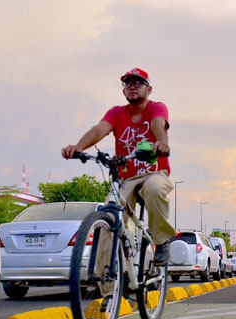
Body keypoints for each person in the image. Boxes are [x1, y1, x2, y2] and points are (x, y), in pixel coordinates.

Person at [62, 67, 175, 265]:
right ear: (123, 90)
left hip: (154, 172)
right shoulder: (116, 113)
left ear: (149, 89)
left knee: (155, 189)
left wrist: (161, 142)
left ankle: (162, 241)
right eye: (128, 83)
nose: (133, 86)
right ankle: (104, 275)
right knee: (109, 216)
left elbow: (158, 124)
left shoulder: (156, 108)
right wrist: (78, 147)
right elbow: (100, 129)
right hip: (127, 177)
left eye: (138, 82)